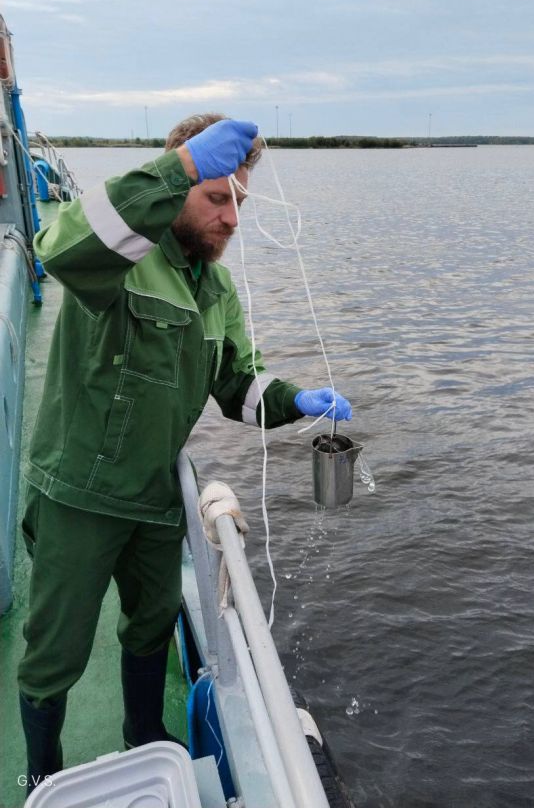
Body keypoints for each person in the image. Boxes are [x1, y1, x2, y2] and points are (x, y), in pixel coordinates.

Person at [17, 114, 352, 795]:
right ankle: (40, 772)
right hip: (79, 495)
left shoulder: (217, 289)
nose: (232, 219)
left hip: (154, 500)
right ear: (179, 188)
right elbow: (61, 248)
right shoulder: (119, 258)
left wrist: (297, 400)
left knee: (150, 627)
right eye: (217, 198)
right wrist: (178, 169)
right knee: (56, 653)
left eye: (240, 202)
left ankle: (143, 733)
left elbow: (237, 385)